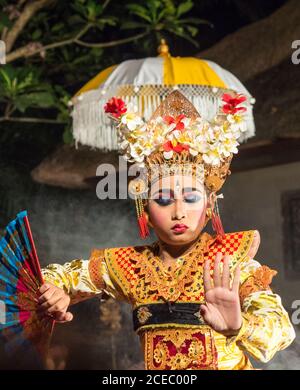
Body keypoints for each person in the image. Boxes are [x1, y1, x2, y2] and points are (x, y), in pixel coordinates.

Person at [38, 91, 295, 370]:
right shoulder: (132, 266)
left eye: (191, 198)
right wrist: (54, 292)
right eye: (163, 199)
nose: (178, 212)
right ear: (146, 211)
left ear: (209, 207)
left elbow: (280, 329)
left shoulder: (230, 262)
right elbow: (62, 275)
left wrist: (239, 326)